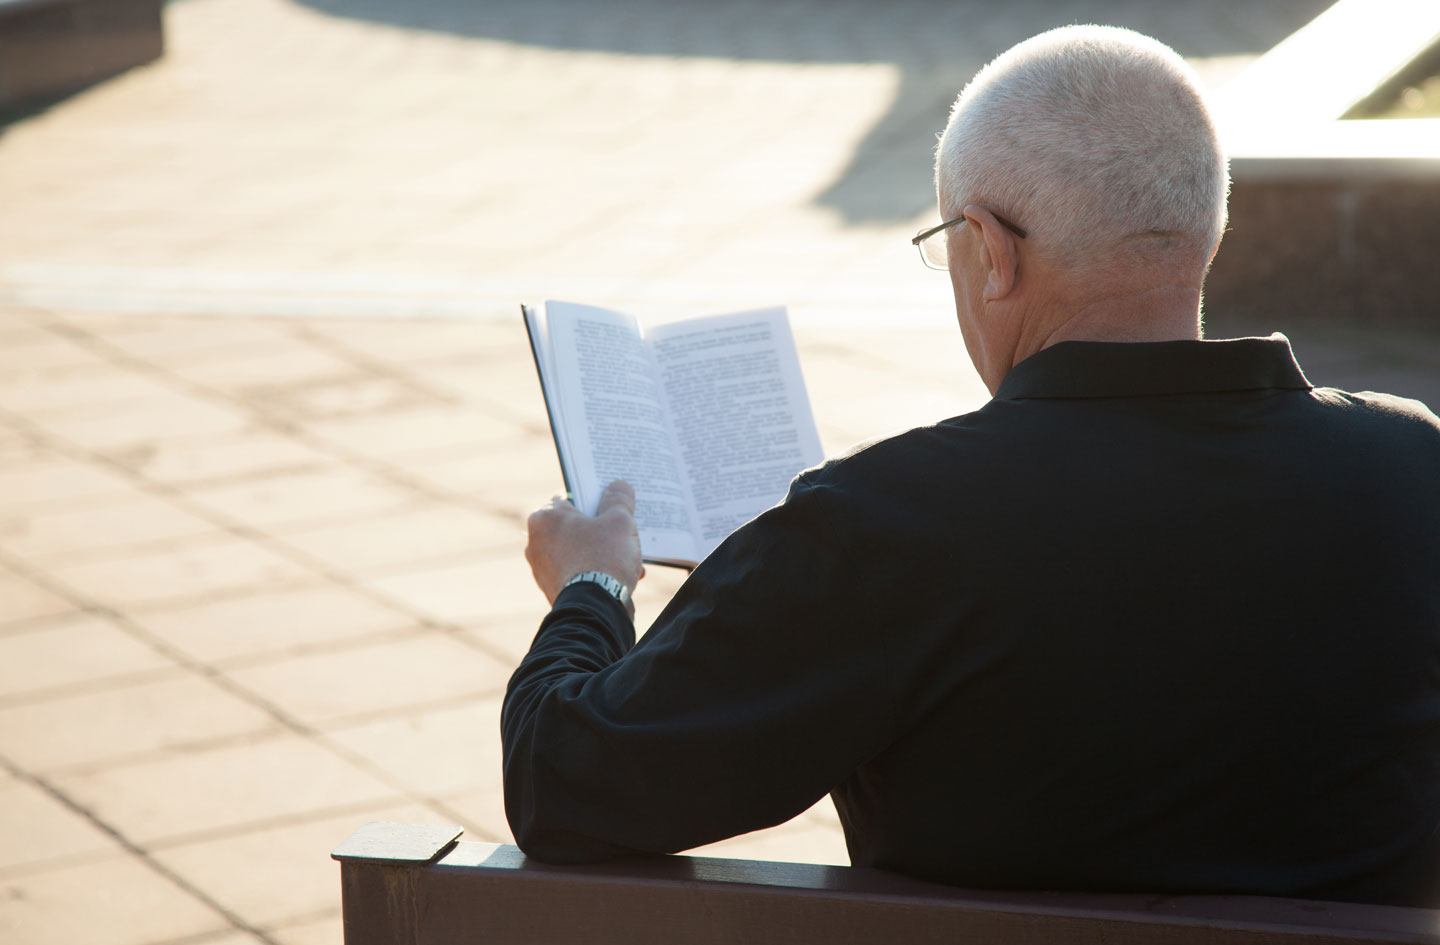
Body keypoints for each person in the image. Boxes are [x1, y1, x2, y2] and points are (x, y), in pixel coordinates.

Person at [502, 25, 1440, 906]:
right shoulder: (1411, 467)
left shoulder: (889, 527)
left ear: (989, 250)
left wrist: (592, 582)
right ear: (1204, 230)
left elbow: (566, 784)